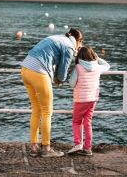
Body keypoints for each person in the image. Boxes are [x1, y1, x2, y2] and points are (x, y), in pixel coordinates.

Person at [21, 28, 84, 158]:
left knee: (36, 109)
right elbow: (62, 71)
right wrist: (60, 80)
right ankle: (46, 148)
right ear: (78, 41)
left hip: (25, 68)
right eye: (81, 42)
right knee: (47, 112)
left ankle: (34, 146)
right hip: (39, 72)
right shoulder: (70, 46)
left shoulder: (57, 38)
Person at [68, 46, 110, 156]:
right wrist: (97, 58)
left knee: (77, 121)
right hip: (93, 99)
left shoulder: (78, 67)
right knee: (88, 122)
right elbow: (107, 65)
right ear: (93, 55)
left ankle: (78, 144)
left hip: (81, 99)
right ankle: (88, 148)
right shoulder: (97, 67)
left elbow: (72, 84)